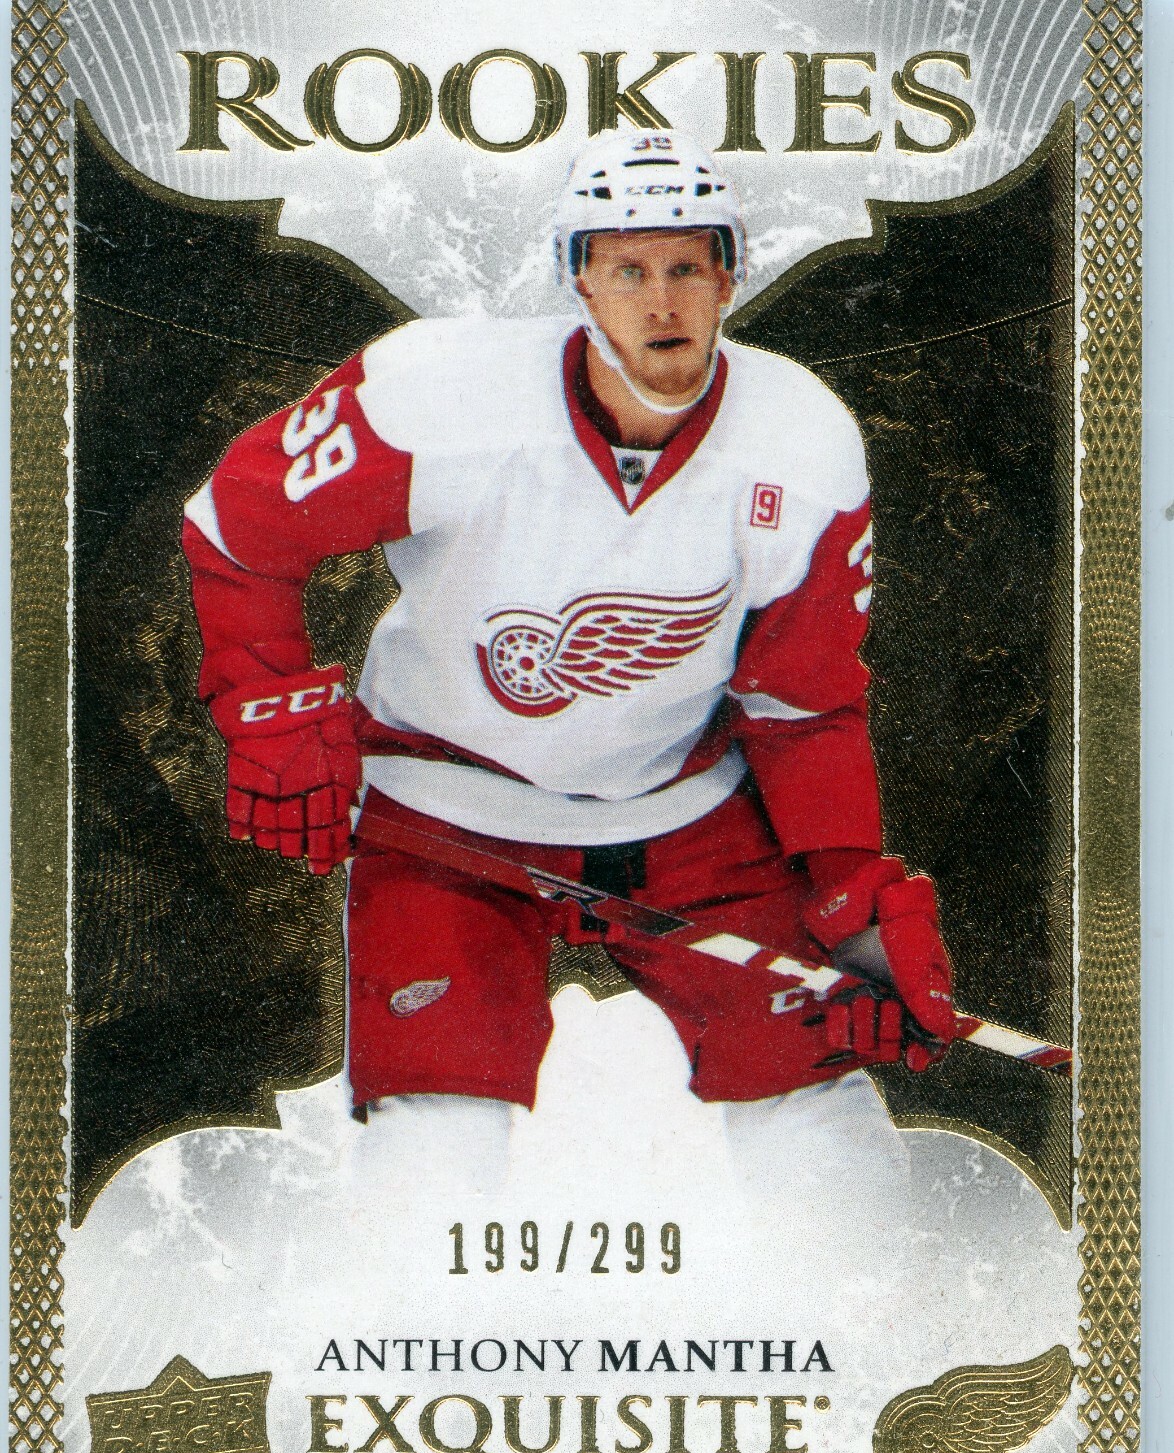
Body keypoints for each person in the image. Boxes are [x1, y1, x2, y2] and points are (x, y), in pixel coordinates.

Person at [182, 128, 957, 1181]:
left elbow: (801, 700)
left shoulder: (802, 443)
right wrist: (265, 704)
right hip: (444, 811)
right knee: (433, 1139)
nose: (662, 302)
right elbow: (238, 524)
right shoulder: (439, 395)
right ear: (578, 280)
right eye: (629, 270)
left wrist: (844, 885)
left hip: (687, 813)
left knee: (824, 1118)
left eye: (687, 267)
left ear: (729, 276)